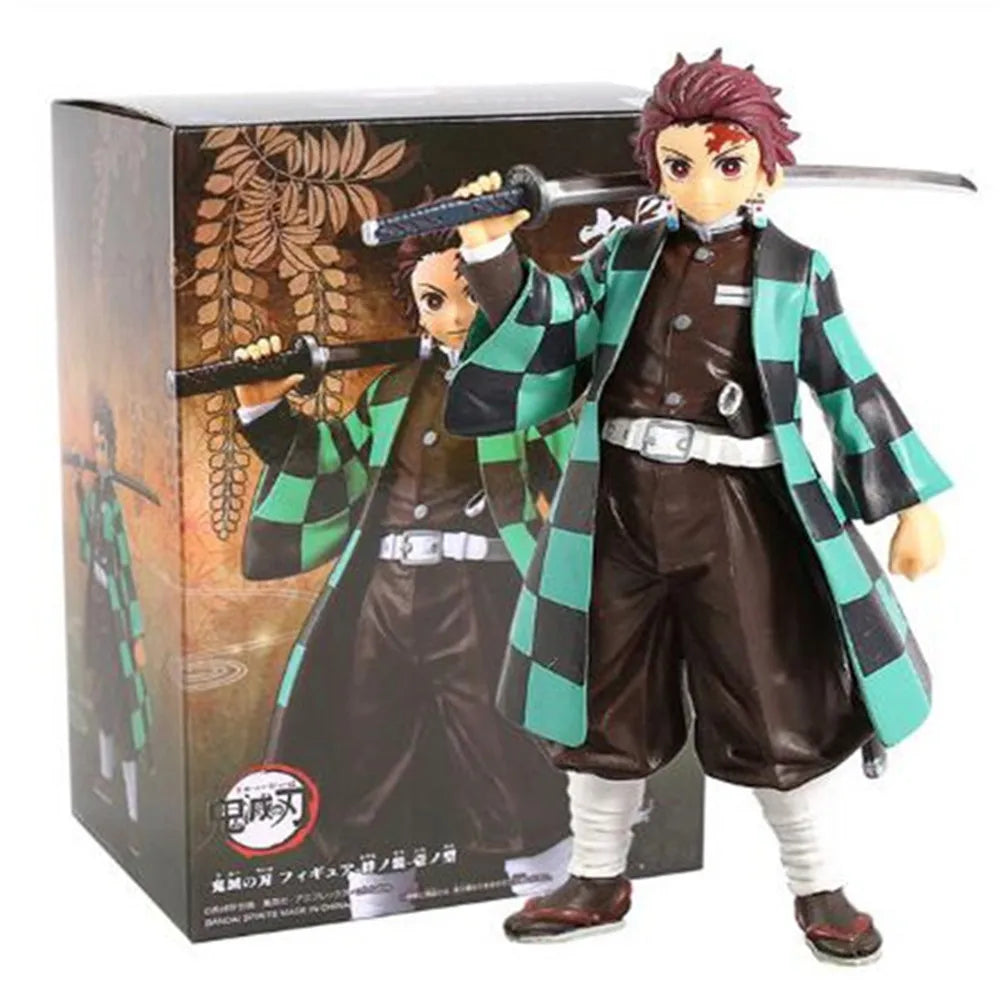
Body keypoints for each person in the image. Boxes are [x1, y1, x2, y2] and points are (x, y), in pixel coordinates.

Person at [443, 51, 949, 963]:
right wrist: (489, 250)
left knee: (774, 698)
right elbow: (555, 332)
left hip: (739, 517)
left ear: (766, 170)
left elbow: (849, 381)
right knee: (600, 697)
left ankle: (819, 885)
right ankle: (596, 878)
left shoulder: (795, 270)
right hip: (616, 511)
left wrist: (909, 503)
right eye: (678, 165)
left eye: (727, 162)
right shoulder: (622, 257)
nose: (702, 184)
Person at [232, 227, 574, 919]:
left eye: (472, 294)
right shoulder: (391, 392)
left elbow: (577, 474)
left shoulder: (531, 390)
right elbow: (332, 464)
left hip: (484, 595)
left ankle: (550, 890)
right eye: (433, 300)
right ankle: (376, 890)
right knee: (371, 742)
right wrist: (265, 409)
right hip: (384, 601)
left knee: (503, 746)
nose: (455, 316)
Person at [77, 395, 151, 853]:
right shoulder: (94, 499)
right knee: (103, 701)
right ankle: (105, 781)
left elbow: (125, 571)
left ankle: (136, 817)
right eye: (94, 446)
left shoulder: (115, 508)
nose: (97, 454)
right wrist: (81, 491)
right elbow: (86, 551)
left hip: (121, 623)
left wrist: (137, 632)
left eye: (103, 447)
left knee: (127, 719)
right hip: (99, 619)